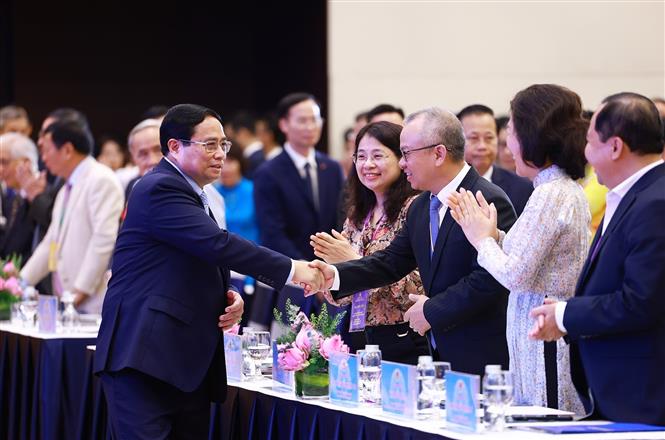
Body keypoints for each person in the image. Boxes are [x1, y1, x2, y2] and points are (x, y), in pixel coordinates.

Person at [94, 104, 324, 438]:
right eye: (209, 145)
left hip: (183, 363)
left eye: (224, 145)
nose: (220, 155)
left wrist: (226, 297)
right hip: (144, 359)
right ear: (175, 146)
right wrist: (294, 269)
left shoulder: (197, 194)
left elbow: (193, 260)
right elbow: (218, 245)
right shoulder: (159, 187)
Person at [309, 107, 516, 375]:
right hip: (438, 352)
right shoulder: (422, 206)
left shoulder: (485, 198)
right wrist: (334, 275)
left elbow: (491, 278)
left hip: (480, 353)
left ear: (438, 153)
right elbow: (389, 263)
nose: (402, 163)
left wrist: (432, 310)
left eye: (406, 153)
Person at [448, 84, 589, 413]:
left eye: (510, 129)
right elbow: (528, 258)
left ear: (533, 133)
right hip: (536, 342)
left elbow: (515, 274)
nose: (506, 142)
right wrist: (494, 234)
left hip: (545, 346)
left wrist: (479, 237)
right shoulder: (552, 188)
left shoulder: (551, 193)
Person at [529, 92, 665, 425]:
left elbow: (641, 302)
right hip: (620, 390)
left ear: (615, 146)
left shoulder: (655, 203)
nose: (584, 153)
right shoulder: (633, 194)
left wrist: (565, 314)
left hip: (645, 393)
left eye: (590, 142)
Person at [310, 121, 428, 364]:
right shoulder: (358, 213)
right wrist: (327, 274)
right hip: (357, 334)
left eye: (378, 156)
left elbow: (418, 286)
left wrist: (352, 262)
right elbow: (339, 296)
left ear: (401, 159)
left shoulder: (415, 209)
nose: (368, 165)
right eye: (361, 156)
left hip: (404, 337)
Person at [253, 93, 346, 334]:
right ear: (284, 124)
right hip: (289, 276)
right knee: (289, 350)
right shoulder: (268, 172)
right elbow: (272, 232)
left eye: (314, 119)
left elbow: (340, 221)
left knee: (329, 347)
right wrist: (307, 272)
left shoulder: (332, 168)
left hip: (329, 279)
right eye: (302, 120)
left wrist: (328, 271)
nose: (310, 127)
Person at [19, 118, 124, 312]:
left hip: (91, 303)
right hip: (69, 302)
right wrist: (19, 284)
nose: (44, 158)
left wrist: (79, 292)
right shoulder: (66, 188)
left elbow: (103, 239)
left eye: (47, 150)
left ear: (67, 150)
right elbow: (50, 242)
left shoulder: (101, 179)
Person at [458, 104, 533, 216]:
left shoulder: (522, 188)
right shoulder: (444, 186)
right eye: (473, 138)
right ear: (458, 140)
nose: (482, 146)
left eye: (489, 138)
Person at [0, 133, 39, 261]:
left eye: (4, 162)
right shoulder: (11, 198)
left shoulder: (43, 198)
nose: (0, 169)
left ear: (25, 163)